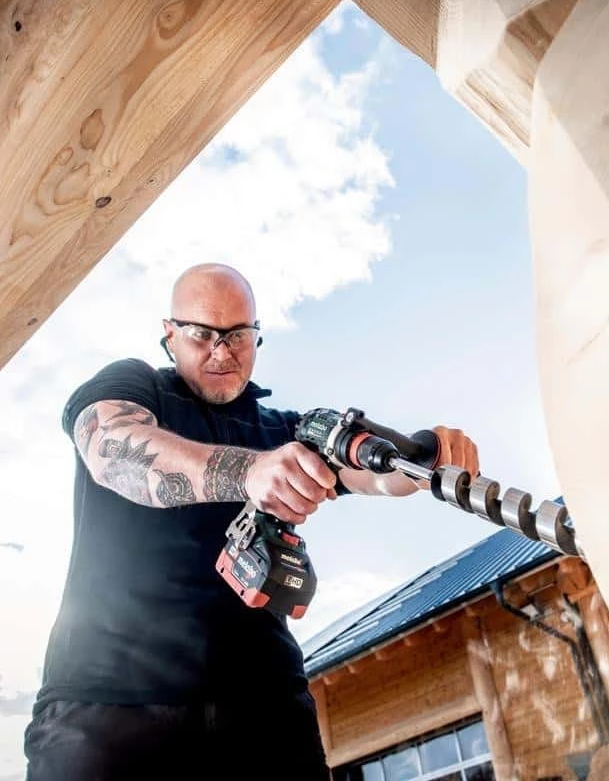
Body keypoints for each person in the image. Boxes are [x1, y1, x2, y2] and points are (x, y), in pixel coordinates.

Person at [23, 263, 479, 780]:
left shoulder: (284, 431)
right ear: (170, 335)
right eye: (202, 335)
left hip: (263, 708)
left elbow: (371, 477)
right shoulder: (133, 385)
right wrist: (250, 471)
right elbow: (110, 450)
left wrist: (424, 460)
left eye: (238, 335)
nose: (222, 352)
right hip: (107, 707)